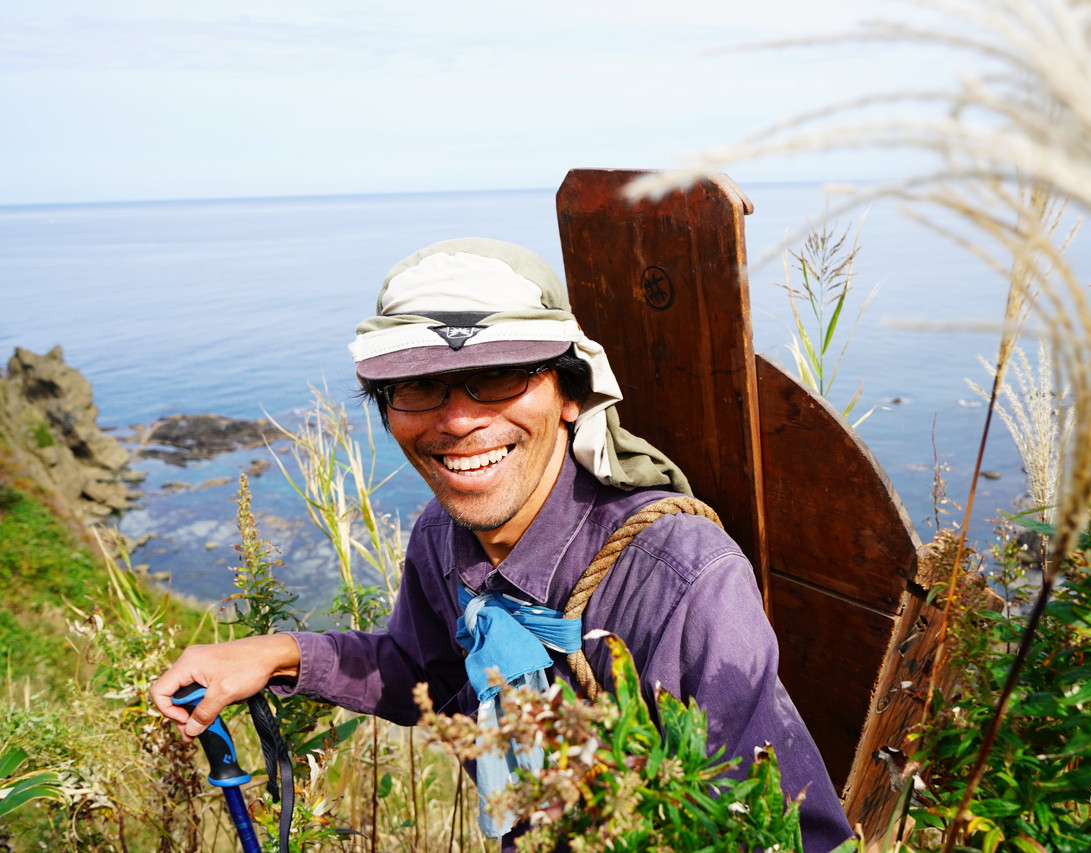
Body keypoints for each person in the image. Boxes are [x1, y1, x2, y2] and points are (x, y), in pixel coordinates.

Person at [151, 237, 854, 851]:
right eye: (419, 384)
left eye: (500, 375)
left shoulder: (679, 579)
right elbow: (421, 670)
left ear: (571, 395)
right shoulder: (442, 536)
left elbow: (782, 829)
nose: (458, 420)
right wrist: (277, 652)